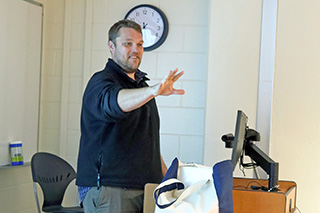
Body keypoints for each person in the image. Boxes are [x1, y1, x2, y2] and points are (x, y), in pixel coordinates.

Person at [76, 19, 185, 212]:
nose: (135, 49)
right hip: (112, 190)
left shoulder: (141, 85)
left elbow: (146, 140)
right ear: (111, 46)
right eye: (128, 44)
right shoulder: (101, 82)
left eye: (140, 44)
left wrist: (167, 178)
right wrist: (154, 91)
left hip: (146, 188)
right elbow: (115, 103)